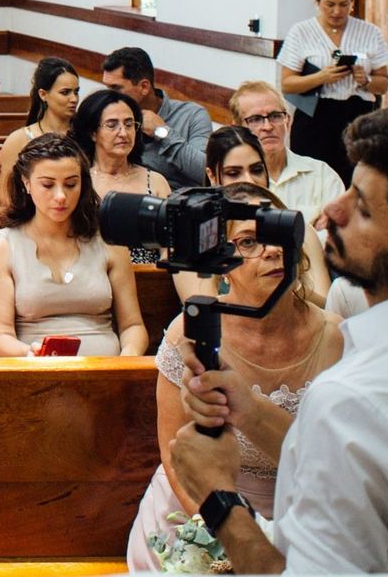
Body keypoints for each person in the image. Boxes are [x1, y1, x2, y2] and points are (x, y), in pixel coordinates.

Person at [166, 106, 388, 575]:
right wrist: (251, 411)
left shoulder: (350, 402)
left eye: (361, 207)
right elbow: (361, 467)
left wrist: (219, 501)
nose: (330, 212)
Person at [126, 182, 344, 570]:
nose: (271, 250)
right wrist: (221, 534)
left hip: (307, 509)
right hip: (200, 507)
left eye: (276, 233)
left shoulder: (336, 336)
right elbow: (175, 456)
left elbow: (344, 456)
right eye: (248, 242)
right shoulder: (189, 334)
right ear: (220, 257)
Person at [0, 134, 147, 357]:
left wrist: (128, 357)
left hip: (106, 370)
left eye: (71, 184)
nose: (61, 196)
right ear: (26, 183)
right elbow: (0, 335)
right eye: (48, 185)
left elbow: (132, 326)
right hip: (33, 372)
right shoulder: (1, 246)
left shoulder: (109, 241)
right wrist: (30, 354)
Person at [182, 127, 334, 307]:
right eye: (233, 173)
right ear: (212, 176)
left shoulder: (299, 229)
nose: (249, 180)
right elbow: (204, 311)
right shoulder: (200, 237)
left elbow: (327, 307)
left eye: (256, 170)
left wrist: (291, 285)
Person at [278, 0, 388, 184]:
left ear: (352, 3)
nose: (337, 11)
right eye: (330, 4)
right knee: (313, 181)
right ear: (317, 1)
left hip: (358, 114)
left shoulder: (370, 32)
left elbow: (383, 84)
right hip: (315, 116)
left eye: (344, 4)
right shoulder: (301, 32)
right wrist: (322, 77)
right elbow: (287, 84)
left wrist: (365, 80)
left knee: (357, 179)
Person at [226, 81, 346, 226]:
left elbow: (336, 235)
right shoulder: (232, 181)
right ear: (237, 128)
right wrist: (308, 231)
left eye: (275, 116)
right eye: (255, 119)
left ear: (288, 121)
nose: (268, 126)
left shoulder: (321, 175)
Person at [73, 89, 171, 262]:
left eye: (129, 124)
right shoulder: (77, 180)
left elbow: (171, 242)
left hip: (148, 276)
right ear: (92, 133)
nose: (123, 133)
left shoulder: (155, 181)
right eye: (112, 125)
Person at [102, 46, 210, 186]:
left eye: (116, 88)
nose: (108, 97)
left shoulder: (192, 115)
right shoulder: (106, 119)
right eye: (107, 88)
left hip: (184, 202)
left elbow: (206, 173)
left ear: (144, 87)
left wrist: (162, 132)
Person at [0, 57, 79, 205]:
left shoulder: (83, 134)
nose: (74, 99)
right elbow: (4, 198)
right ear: (43, 94)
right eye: (65, 92)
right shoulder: (19, 139)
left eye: (76, 92)